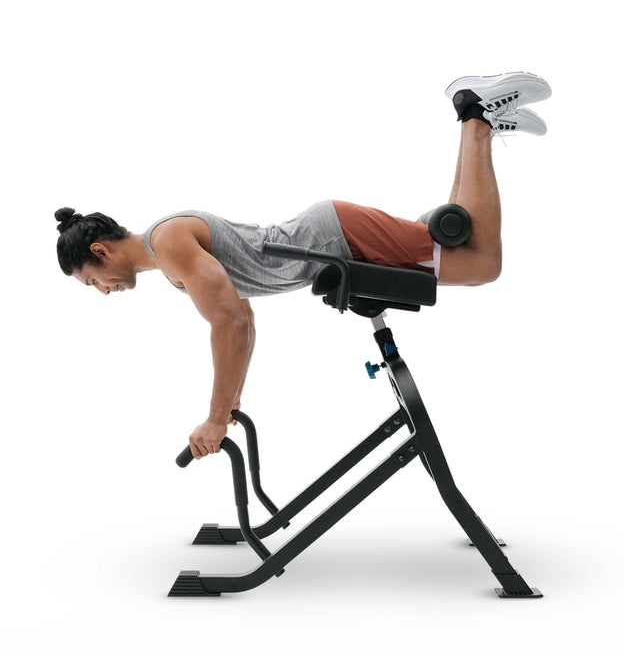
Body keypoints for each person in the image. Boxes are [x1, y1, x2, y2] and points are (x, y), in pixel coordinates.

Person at [54, 71, 551, 460]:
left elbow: (229, 323)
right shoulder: (170, 259)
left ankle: (475, 116)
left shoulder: (168, 241)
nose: (102, 291)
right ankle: (477, 121)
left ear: (100, 252)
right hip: (333, 240)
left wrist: (215, 417)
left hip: (335, 239)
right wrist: (229, 401)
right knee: (457, 240)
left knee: (481, 262)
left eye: (92, 282)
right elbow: (245, 321)